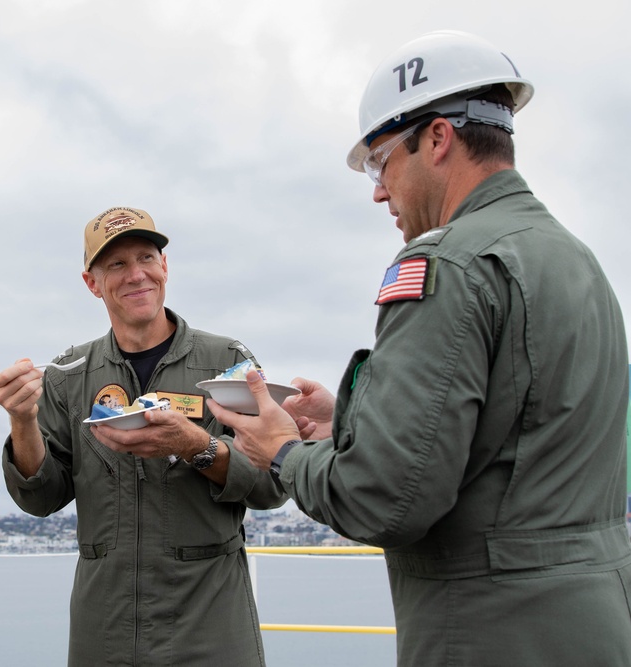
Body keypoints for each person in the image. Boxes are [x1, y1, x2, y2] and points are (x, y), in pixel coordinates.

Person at [209, 30, 631, 666]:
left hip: (490, 632)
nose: (379, 190)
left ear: (437, 138)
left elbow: (385, 500)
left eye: (381, 162)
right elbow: (515, 436)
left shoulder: (446, 264)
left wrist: (283, 453)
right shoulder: (575, 260)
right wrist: (346, 425)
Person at [0, 206, 287, 666]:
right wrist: (22, 421)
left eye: (146, 258)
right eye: (117, 265)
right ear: (92, 283)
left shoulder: (228, 361)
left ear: (165, 266)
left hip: (210, 628)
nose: (136, 275)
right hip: (103, 632)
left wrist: (196, 446)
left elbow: (273, 484)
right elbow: (40, 497)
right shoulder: (68, 375)